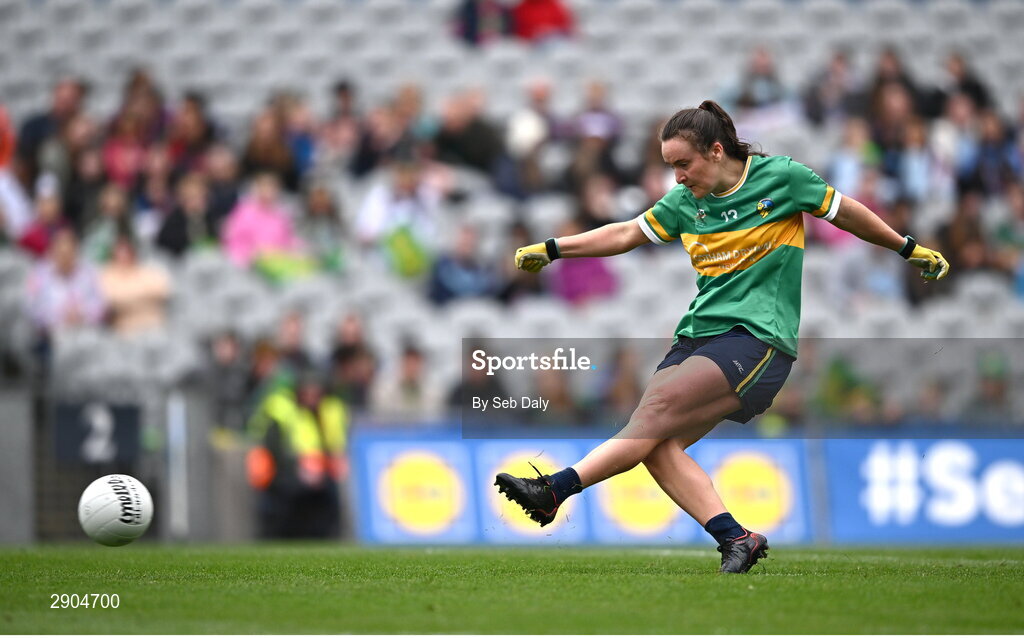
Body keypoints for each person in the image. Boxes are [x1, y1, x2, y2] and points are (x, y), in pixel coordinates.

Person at [494, 100, 949, 573]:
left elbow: (847, 213)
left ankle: (555, 489)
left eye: (683, 164)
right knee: (655, 444)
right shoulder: (684, 204)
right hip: (698, 335)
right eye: (670, 167)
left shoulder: (782, 178)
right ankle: (737, 538)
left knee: (651, 415)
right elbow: (627, 233)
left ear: (715, 151)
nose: (677, 178)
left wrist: (907, 248)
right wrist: (554, 248)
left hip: (758, 337)